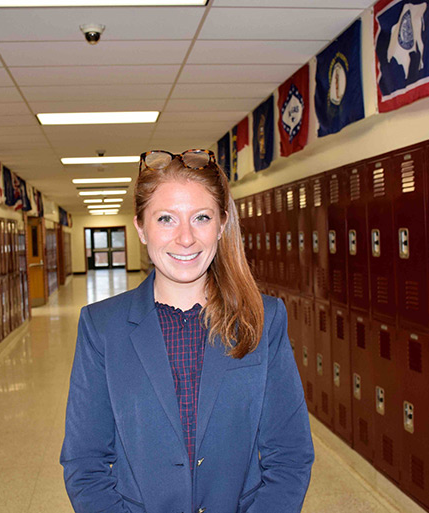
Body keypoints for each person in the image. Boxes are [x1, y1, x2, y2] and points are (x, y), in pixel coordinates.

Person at [61, 149, 314, 513]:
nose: (185, 238)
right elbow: (84, 465)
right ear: (141, 228)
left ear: (222, 224)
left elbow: (289, 455)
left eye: (201, 218)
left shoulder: (262, 319)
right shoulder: (102, 327)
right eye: (166, 218)